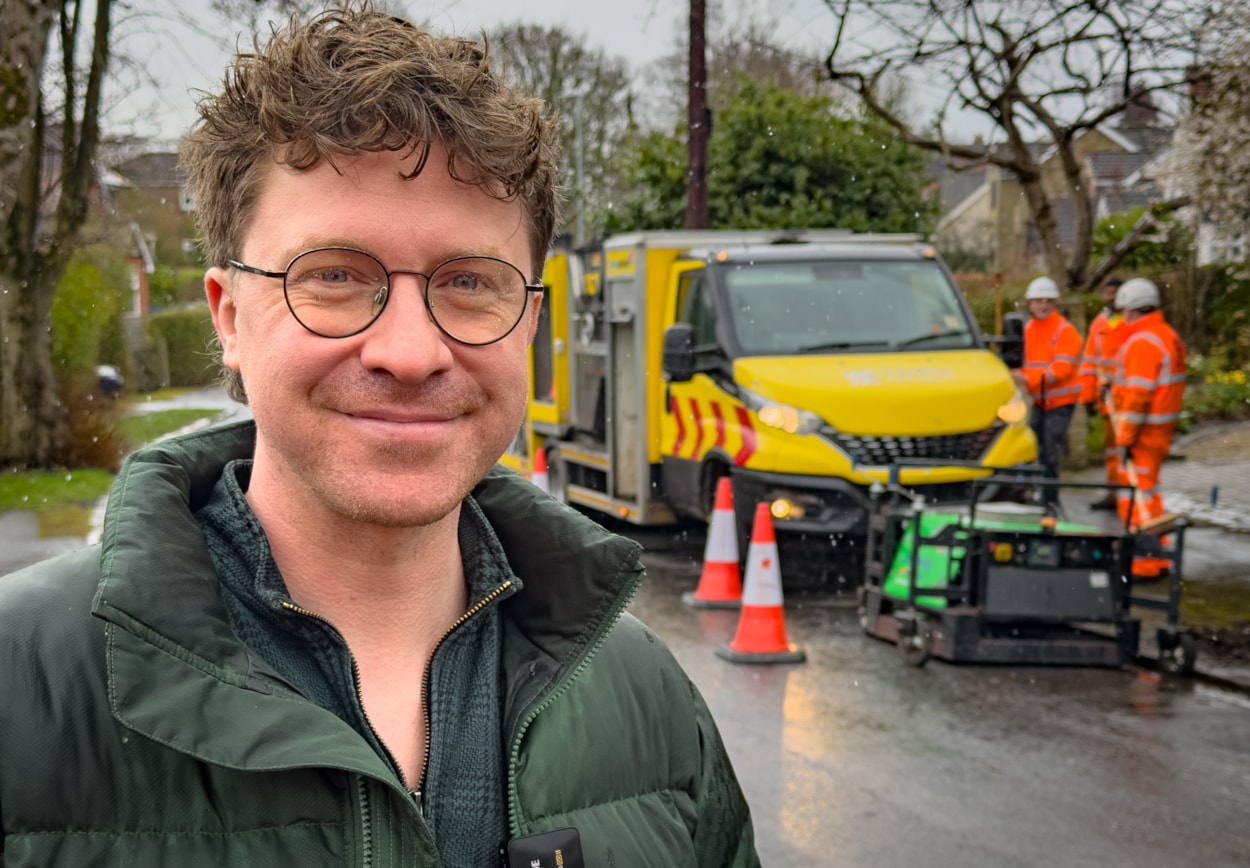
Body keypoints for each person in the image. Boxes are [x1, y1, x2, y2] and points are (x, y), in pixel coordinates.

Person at [0, 7, 759, 866]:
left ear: (528, 326)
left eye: (470, 282)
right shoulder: (17, 691)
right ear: (230, 318)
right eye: (333, 276)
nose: (408, 352)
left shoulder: (651, 705)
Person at [1110, 277, 1187, 577]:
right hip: (1159, 431)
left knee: (1136, 500)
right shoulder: (1166, 335)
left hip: (1143, 434)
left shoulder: (1143, 341)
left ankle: (1145, 563)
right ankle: (1158, 557)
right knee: (1149, 495)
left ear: (1130, 310)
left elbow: (1139, 396)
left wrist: (1125, 437)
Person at [1015, 275, 1084, 500]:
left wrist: (1027, 379)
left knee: (1050, 451)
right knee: (1032, 446)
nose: (1043, 305)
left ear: (1055, 304)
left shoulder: (1065, 331)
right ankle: (1033, 493)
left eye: (1048, 300)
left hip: (1060, 403)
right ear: (1030, 304)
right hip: (1040, 400)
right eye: (1038, 300)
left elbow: (1061, 370)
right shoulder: (1028, 329)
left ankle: (1049, 500)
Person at [1078, 277, 1127, 509]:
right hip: (1108, 399)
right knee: (1111, 451)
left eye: (1114, 293)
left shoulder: (1131, 323)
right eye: (1107, 293)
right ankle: (1114, 493)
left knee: (1126, 450)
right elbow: (1089, 363)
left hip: (1129, 400)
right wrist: (1087, 397)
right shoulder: (1099, 324)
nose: (1110, 297)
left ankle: (1126, 496)